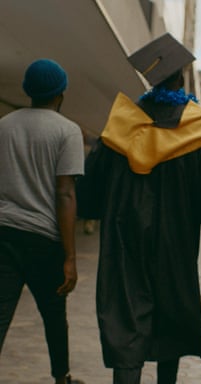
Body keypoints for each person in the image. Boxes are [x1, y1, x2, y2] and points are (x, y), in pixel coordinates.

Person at [75, 33, 201, 384]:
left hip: (124, 237)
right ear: (181, 80)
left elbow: (91, 188)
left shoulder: (122, 126)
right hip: (175, 239)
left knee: (125, 313)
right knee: (172, 312)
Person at [0, 59, 85, 384]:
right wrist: (71, 257)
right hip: (43, 241)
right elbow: (65, 194)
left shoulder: (4, 125)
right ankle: (61, 378)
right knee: (54, 316)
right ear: (60, 92)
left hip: (4, 235)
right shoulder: (66, 131)